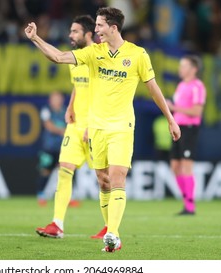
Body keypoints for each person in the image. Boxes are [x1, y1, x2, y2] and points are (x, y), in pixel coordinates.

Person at [25, 7, 181, 253]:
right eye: (95, 26)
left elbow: (153, 88)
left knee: (117, 176)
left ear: (113, 28)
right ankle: (106, 228)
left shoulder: (138, 55)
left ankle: (113, 234)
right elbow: (58, 57)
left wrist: (170, 119)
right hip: (96, 128)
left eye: (99, 26)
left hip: (121, 127)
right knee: (103, 180)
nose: (95, 30)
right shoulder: (93, 53)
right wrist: (35, 38)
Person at [36, 15, 109, 239]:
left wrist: (93, 124)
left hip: (95, 126)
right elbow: (78, 85)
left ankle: (110, 226)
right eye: (70, 30)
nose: (70, 35)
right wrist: (70, 106)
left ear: (88, 34)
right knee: (64, 169)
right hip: (75, 125)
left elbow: (106, 94)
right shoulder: (76, 58)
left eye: (75, 31)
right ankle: (57, 224)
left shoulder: (100, 56)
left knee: (103, 178)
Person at [166, 55, 206, 215]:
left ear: (193, 69)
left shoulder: (197, 86)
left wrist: (174, 108)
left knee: (186, 166)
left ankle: (190, 206)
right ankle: (186, 201)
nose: (180, 69)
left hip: (189, 128)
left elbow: (197, 111)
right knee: (175, 166)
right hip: (178, 128)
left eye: (183, 66)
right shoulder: (181, 85)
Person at [37, 91, 66, 206]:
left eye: (58, 98)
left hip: (63, 147)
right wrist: (62, 131)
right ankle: (41, 195)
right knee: (45, 171)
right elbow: (48, 126)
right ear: (50, 100)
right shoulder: (46, 111)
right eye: (54, 98)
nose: (56, 100)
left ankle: (67, 197)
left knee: (65, 172)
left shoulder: (66, 111)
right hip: (48, 147)